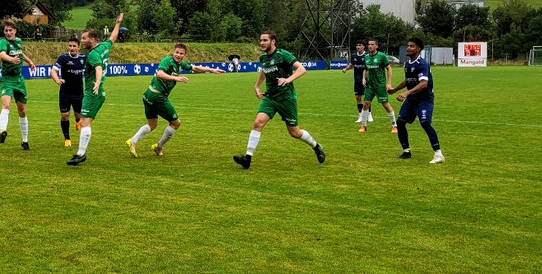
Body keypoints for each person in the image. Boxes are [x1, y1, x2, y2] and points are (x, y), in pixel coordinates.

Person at [233, 30, 325, 169]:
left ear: (273, 41)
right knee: (258, 123)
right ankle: (247, 158)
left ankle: (316, 146)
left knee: (295, 132)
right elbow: (264, 70)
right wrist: (257, 86)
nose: (262, 43)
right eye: (261, 40)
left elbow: (301, 69)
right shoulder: (263, 58)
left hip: (286, 98)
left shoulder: (283, 55)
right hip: (270, 97)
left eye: (265, 40)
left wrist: (288, 80)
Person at [126, 43, 224, 158]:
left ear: (184, 55)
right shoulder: (167, 61)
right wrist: (176, 78)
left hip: (148, 95)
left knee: (152, 125)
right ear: (173, 52)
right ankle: (158, 147)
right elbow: (159, 74)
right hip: (157, 96)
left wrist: (212, 70)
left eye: (181, 53)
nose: (178, 55)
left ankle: (132, 141)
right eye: (176, 52)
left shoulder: (181, 64)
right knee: (176, 123)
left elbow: (195, 68)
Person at [67, 13, 123, 166]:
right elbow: (113, 38)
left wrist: (97, 83)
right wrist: (117, 24)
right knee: (86, 122)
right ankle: (79, 153)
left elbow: (98, 67)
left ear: (92, 39)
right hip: (99, 92)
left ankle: (81, 154)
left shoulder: (92, 54)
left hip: (93, 92)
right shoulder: (104, 46)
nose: (82, 41)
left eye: (84, 38)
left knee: (84, 122)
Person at [388, 37, 444, 164]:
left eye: (411, 46)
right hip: (412, 100)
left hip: (425, 99)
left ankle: (438, 154)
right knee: (400, 122)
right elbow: (408, 81)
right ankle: (406, 151)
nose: (408, 48)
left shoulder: (422, 64)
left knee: (425, 123)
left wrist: (407, 93)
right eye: (408, 46)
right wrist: (395, 90)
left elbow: (424, 83)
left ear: (418, 49)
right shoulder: (407, 64)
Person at [0, 18, 36, 150]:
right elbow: (2, 54)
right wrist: (11, 59)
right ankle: (3, 130)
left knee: (22, 110)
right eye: (6, 30)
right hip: (7, 79)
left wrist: (29, 61)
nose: (8, 33)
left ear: (15, 31)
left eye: (10, 30)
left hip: (19, 80)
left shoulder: (19, 41)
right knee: (6, 104)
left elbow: (21, 53)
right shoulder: (3, 42)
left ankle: (25, 141)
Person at [50, 38, 87, 148]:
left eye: (74, 46)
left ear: (78, 47)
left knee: (79, 116)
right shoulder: (63, 58)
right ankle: (67, 138)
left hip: (79, 92)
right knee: (65, 115)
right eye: (70, 46)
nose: (72, 48)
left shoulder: (84, 58)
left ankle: (77, 120)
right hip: (65, 92)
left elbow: (93, 68)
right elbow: (53, 71)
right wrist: (57, 80)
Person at [358, 38, 397, 133]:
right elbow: (366, 69)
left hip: (380, 85)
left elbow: (389, 69)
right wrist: (364, 78)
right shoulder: (366, 57)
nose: (370, 46)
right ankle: (363, 125)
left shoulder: (382, 56)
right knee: (366, 104)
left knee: (385, 105)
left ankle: (394, 125)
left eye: (372, 44)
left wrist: (389, 83)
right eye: (369, 44)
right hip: (370, 85)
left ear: (376, 46)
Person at [341, 40, 373, 123]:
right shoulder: (354, 56)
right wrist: (345, 69)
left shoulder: (367, 56)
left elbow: (369, 67)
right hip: (357, 80)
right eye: (357, 45)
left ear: (363, 46)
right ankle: (361, 116)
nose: (358, 47)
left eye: (360, 45)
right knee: (358, 98)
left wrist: (365, 78)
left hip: (366, 80)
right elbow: (352, 65)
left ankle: (369, 115)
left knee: (367, 98)